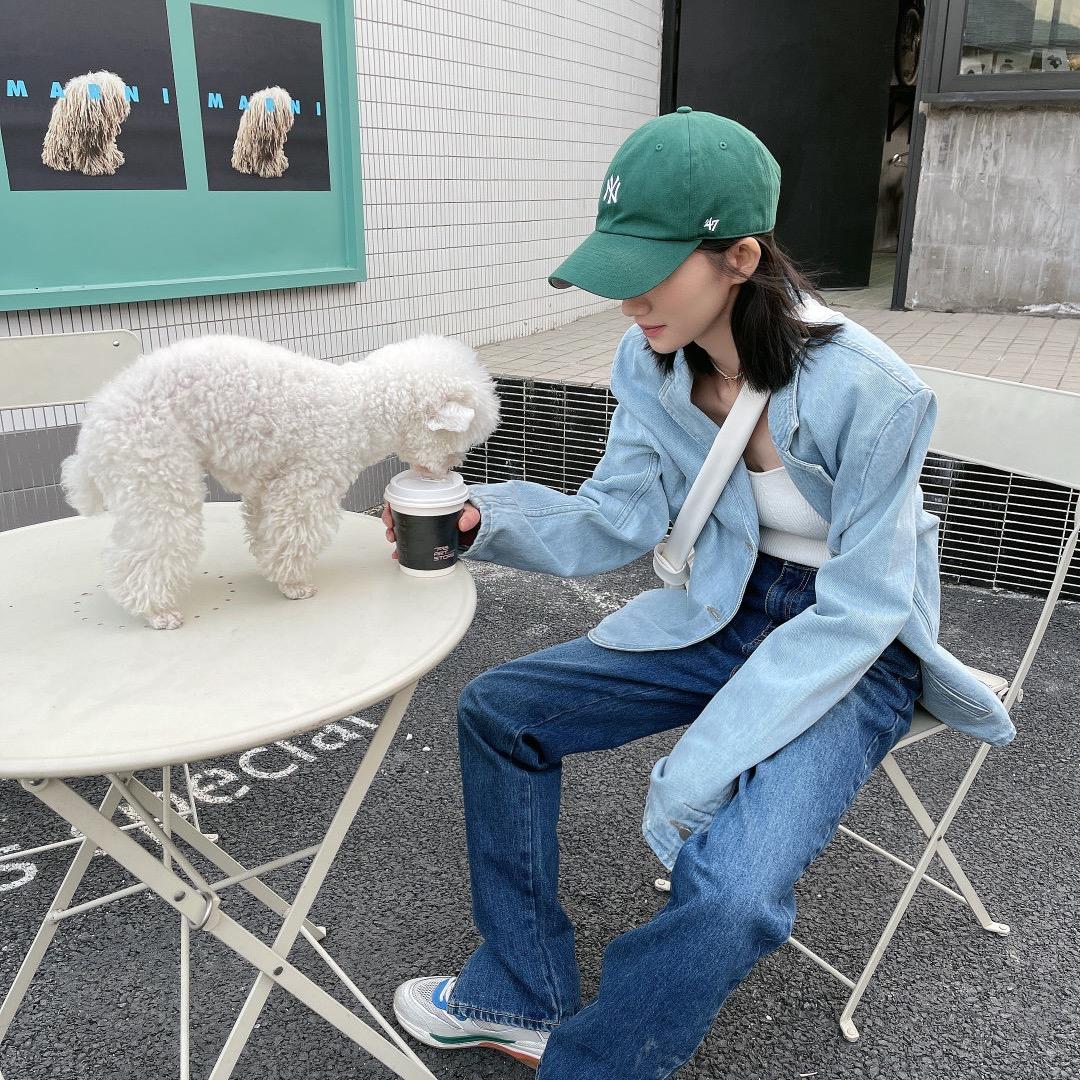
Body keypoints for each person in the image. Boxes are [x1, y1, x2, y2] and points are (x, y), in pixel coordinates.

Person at [382, 108, 1014, 1079]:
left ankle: (596, 1064)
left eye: (650, 265)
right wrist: (483, 517)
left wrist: (696, 767)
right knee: (499, 711)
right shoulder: (650, 358)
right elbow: (616, 518)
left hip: (853, 640)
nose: (627, 295)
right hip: (727, 604)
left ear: (740, 258)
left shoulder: (873, 393)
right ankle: (519, 993)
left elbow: (863, 607)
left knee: (731, 892)